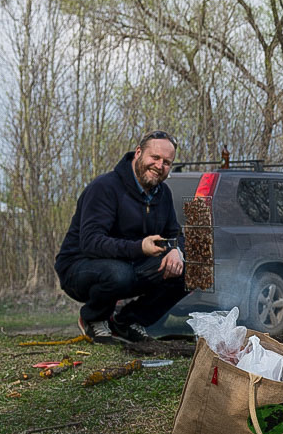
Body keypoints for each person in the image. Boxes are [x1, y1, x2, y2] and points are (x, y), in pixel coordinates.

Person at [55, 130, 187, 344]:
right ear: (138, 153)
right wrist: (139, 248)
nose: (159, 165)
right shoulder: (105, 187)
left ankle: (127, 321)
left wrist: (175, 250)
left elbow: (174, 233)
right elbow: (90, 242)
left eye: (166, 162)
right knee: (119, 274)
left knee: (189, 271)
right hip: (79, 267)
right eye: (155, 157)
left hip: (130, 265)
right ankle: (93, 318)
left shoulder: (163, 194)